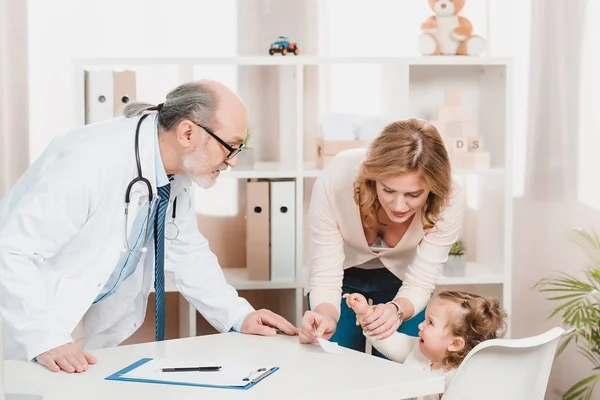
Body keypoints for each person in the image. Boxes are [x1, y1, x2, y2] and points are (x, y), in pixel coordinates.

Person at [0, 80, 298, 373]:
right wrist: (45, 337)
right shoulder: (90, 160)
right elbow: (12, 250)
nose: (232, 162)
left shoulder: (176, 171)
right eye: (230, 147)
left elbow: (186, 251)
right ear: (187, 132)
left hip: (81, 324)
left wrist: (240, 316)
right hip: (31, 319)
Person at [299, 118, 465, 356]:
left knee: (401, 368)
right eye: (387, 190)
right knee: (334, 366)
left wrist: (398, 309)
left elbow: (422, 278)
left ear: (432, 190)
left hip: (404, 281)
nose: (399, 205)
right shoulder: (338, 177)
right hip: (341, 275)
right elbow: (325, 272)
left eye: (414, 194)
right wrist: (324, 316)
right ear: (372, 178)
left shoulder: (450, 194)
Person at [343, 290, 507, 400]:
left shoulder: (459, 377)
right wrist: (365, 314)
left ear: (455, 343)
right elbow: (387, 339)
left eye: (430, 322)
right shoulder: (419, 351)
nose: (420, 326)